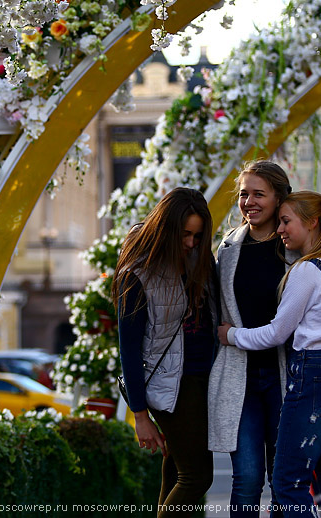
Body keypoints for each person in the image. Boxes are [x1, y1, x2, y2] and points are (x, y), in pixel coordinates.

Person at [208, 161, 321, 518]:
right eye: (244, 194)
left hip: (288, 375)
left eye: (259, 194)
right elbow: (217, 307)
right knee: (247, 478)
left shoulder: (299, 248)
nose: (249, 201)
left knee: (286, 481)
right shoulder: (228, 248)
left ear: (280, 199)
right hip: (241, 376)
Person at [113, 188, 217, 517]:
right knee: (197, 476)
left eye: (198, 235)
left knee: (177, 470)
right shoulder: (138, 273)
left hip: (202, 376)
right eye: (185, 234)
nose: (191, 242)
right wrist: (140, 416)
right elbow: (128, 350)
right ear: (167, 228)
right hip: (170, 384)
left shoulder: (200, 258)